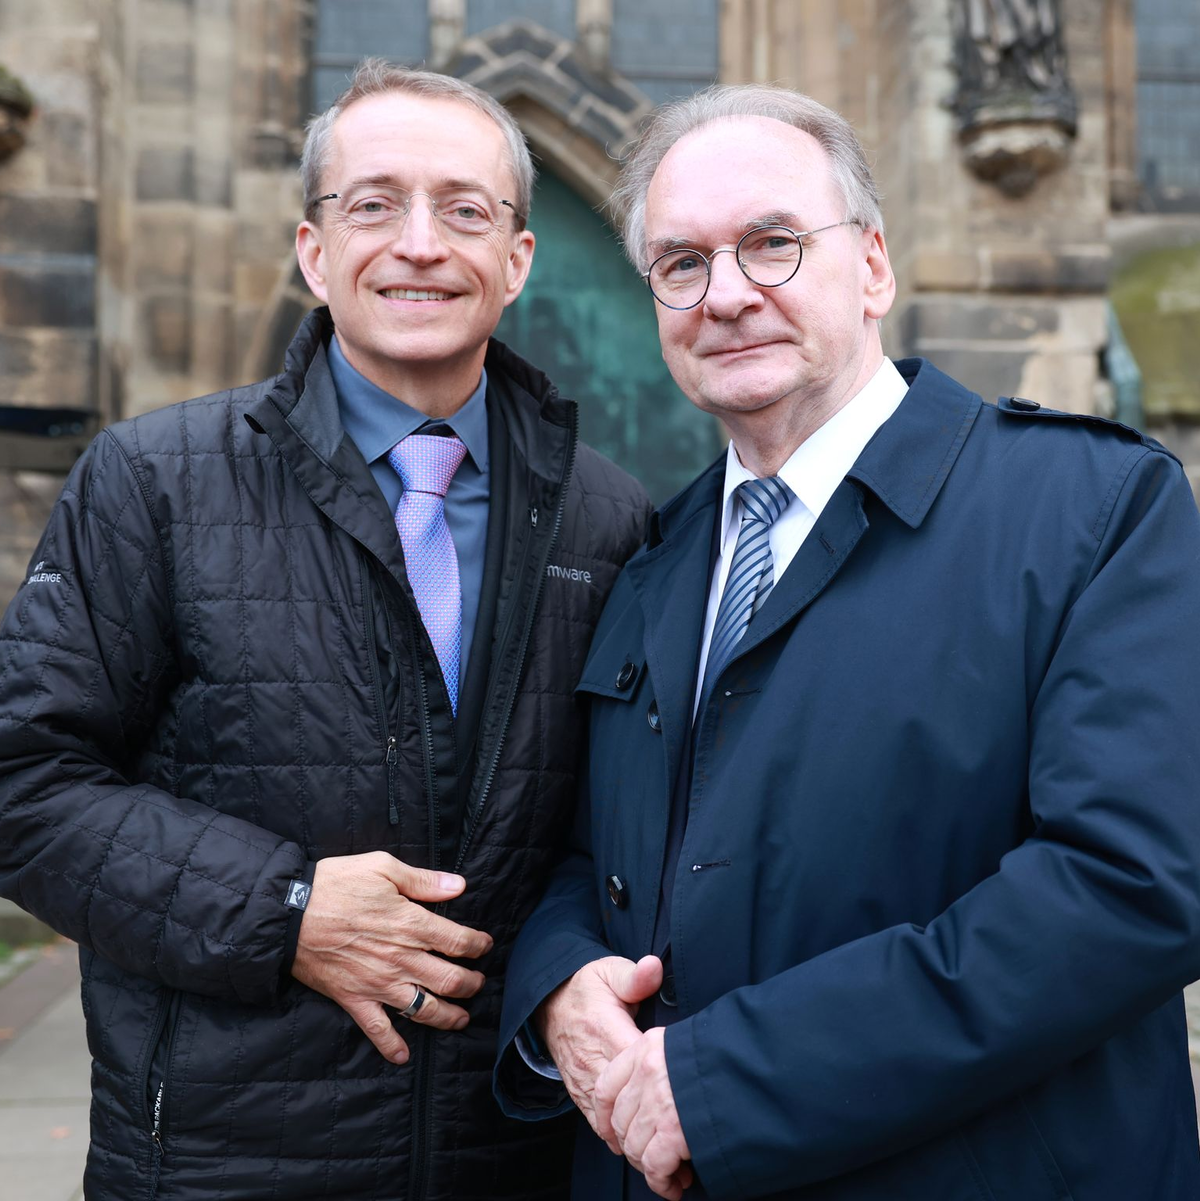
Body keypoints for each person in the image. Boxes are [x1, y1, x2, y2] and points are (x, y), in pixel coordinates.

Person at [494, 83, 1200, 1201]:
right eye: (682, 264)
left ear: (873, 266)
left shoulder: (1092, 507)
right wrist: (558, 981)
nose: (725, 295)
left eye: (772, 244)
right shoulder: (652, 555)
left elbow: (1132, 885)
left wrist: (732, 1083)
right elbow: (590, 854)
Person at [0, 60, 649, 1200]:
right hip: (212, 1160)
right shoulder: (153, 481)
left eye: (465, 209)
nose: (420, 243)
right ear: (313, 250)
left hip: (514, 1156)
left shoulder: (611, 517)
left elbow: (620, 834)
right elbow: (24, 781)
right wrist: (281, 910)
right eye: (373, 203)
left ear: (517, 261)